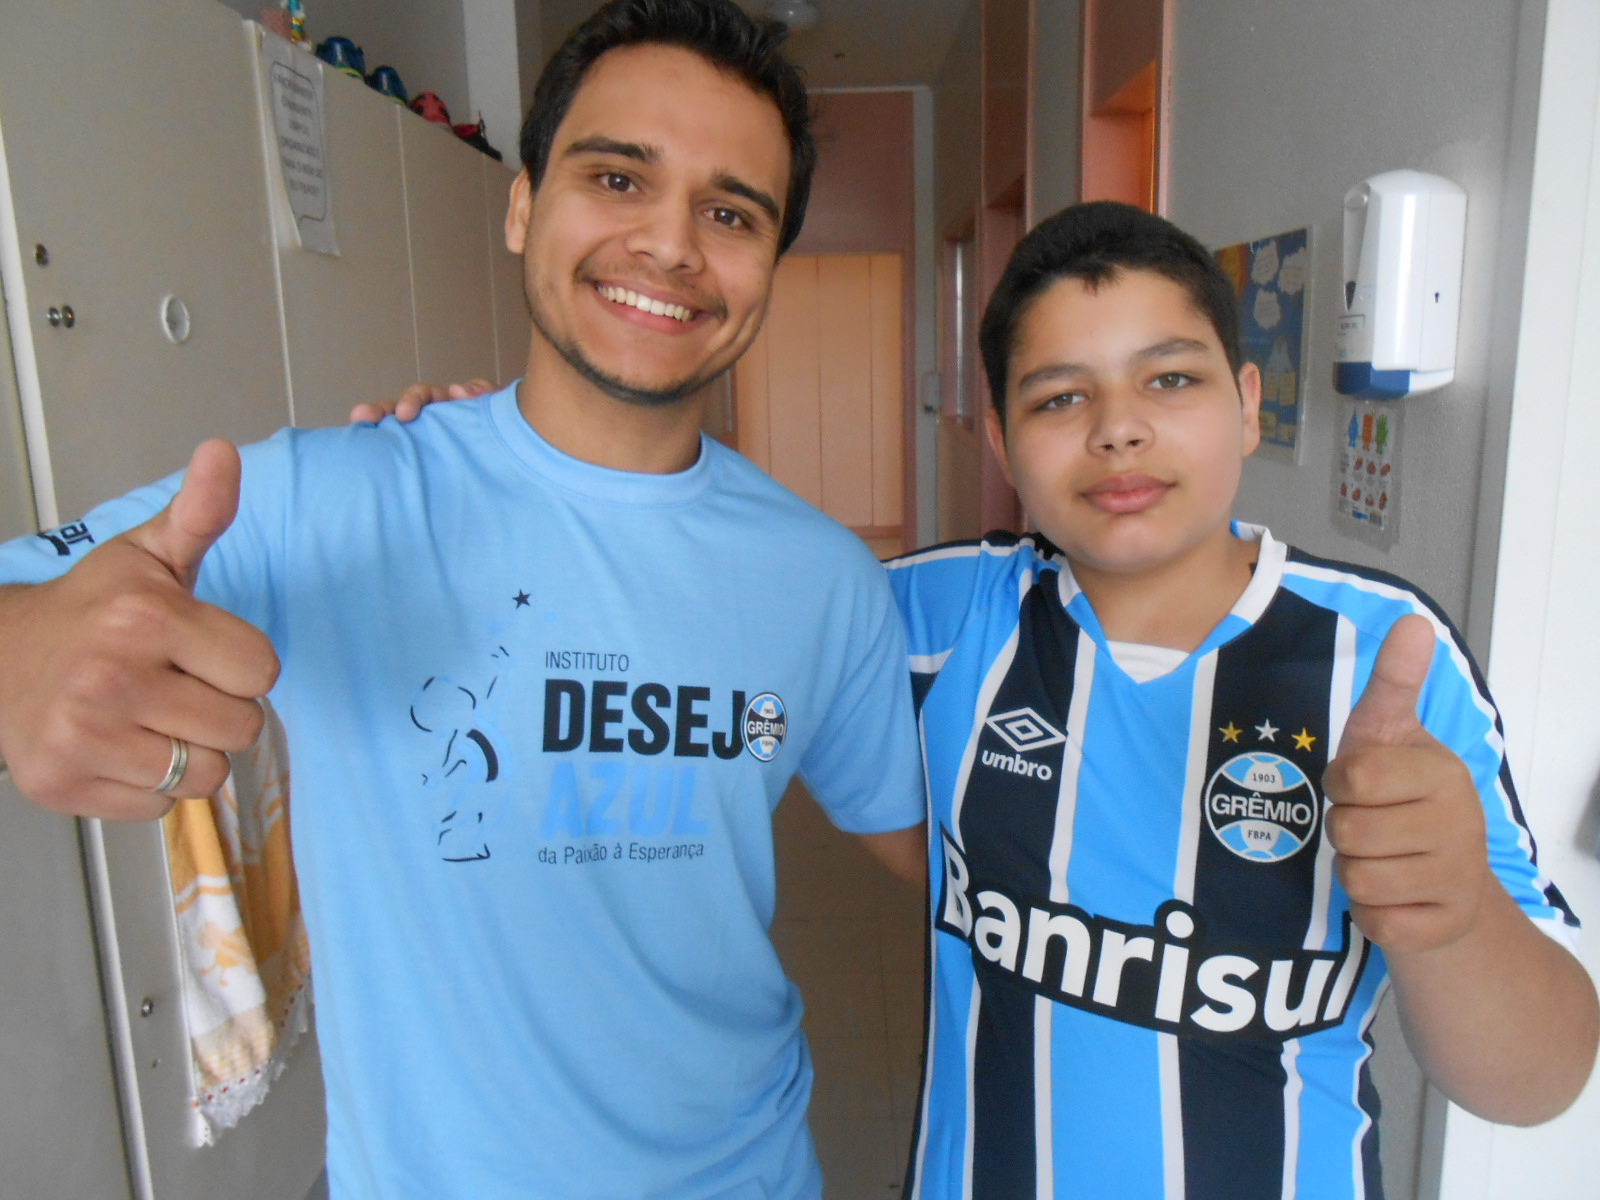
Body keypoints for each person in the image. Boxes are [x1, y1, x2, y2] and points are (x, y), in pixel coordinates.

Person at [0, 3, 926, 1198]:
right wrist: (20, 648)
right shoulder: (318, 500)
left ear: (764, 266)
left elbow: (954, 859)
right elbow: (35, 606)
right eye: (616, 176)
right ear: (523, 203)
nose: (672, 244)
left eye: (731, 211)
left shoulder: (821, 577)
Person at [882, 201, 1597, 1199]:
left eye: (1169, 379)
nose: (1118, 429)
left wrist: (1455, 912)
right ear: (1000, 440)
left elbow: (1538, 1083)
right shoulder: (935, 614)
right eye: (1057, 399)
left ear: (1248, 402)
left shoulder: (1383, 656)